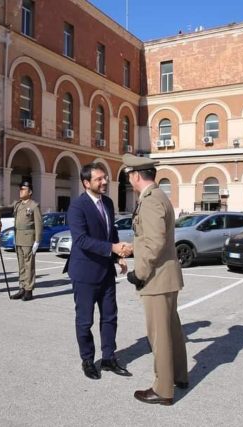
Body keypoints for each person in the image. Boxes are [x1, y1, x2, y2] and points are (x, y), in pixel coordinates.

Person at [122, 153, 188, 406]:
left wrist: (139, 273)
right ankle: (179, 376)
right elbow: (152, 237)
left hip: (157, 278)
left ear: (136, 175)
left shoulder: (150, 201)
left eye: (130, 175)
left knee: (159, 335)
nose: (129, 179)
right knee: (172, 330)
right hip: (167, 276)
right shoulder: (159, 196)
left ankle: (163, 390)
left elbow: (155, 242)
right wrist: (134, 248)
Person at [66, 162, 131, 380]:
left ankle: (108, 358)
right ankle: (87, 360)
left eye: (105, 178)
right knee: (85, 321)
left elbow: (111, 232)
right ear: (86, 183)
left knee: (110, 317)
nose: (105, 181)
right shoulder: (77, 207)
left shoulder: (108, 203)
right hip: (85, 273)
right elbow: (81, 240)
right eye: (99, 179)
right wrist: (112, 248)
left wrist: (118, 256)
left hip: (106, 271)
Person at [10, 181, 42, 301]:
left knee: (29, 265)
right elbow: (7, 208)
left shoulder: (34, 205)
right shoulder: (18, 204)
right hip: (18, 237)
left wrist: (37, 240)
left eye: (23, 189)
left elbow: (39, 224)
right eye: (20, 189)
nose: (21, 191)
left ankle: (29, 290)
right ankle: (22, 287)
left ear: (30, 192)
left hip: (28, 238)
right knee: (21, 265)